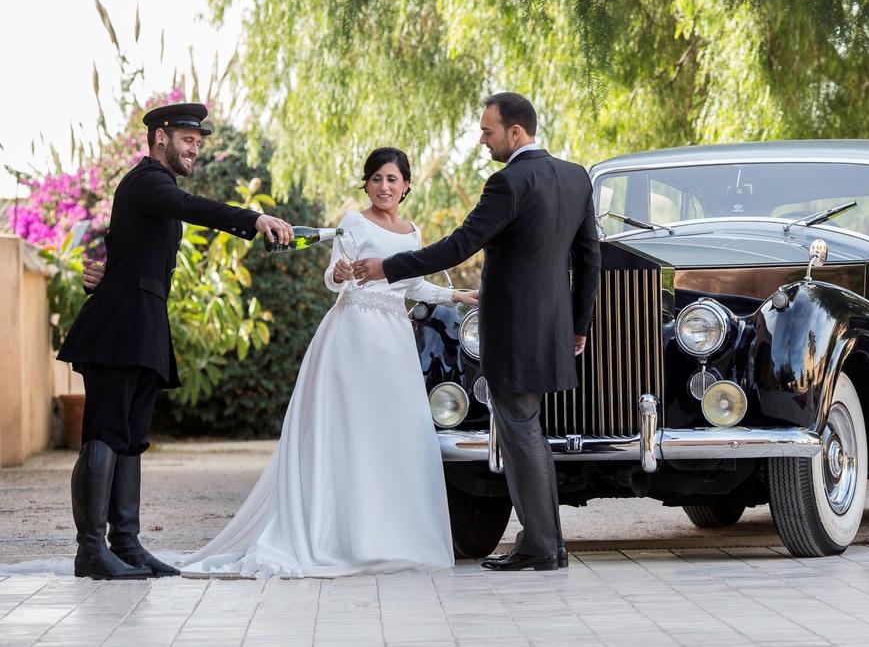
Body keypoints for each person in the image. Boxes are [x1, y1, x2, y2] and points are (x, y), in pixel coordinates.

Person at [180, 147, 474, 578]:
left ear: (407, 185)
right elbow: (332, 275)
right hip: (352, 333)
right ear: (366, 184)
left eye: (392, 179)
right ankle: (341, 537)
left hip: (393, 341)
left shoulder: (412, 232)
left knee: (393, 434)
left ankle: (393, 537)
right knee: (349, 431)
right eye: (376, 179)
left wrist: (455, 295)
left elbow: (413, 287)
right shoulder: (353, 223)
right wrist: (338, 275)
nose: (384, 187)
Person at [353, 92, 601, 572]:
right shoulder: (575, 178)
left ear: (515, 132)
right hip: (553, 330)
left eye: (488, 132)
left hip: (512, 330)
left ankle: (543, 546)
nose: (482, 141)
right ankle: (547, 541)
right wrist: (578, 325)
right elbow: (588, 256)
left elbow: (458, 246)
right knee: (529, 429)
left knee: (521, 431)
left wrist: (387, 266)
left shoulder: (507, 183)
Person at [59, 102, 295, 580]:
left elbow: (127, 252)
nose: (195, 149)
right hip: (119, 328)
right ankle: (91, 550)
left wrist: (105, 274)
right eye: (188, 139)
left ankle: (126, 544)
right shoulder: (148, 181)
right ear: (160, 137)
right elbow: (192, 207)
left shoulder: (154, 189)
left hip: (142, 325)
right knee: (104, 433)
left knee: (130, 439)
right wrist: (253, 220)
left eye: (198, 142)